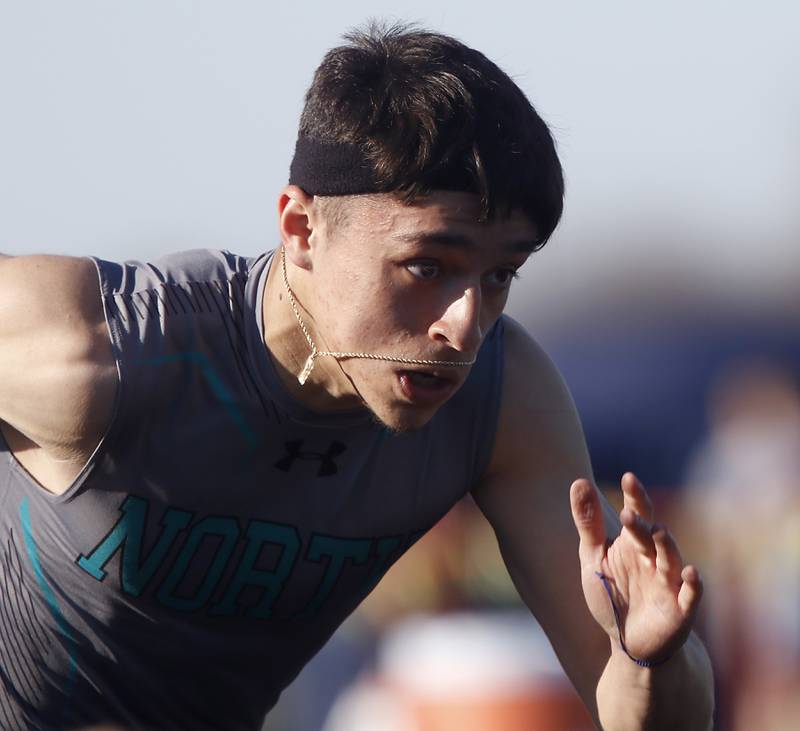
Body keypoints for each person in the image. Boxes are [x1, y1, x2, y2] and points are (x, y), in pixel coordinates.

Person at [0, 22, 713, 731]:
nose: (464, 325)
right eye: (426, 266)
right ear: (301, 228)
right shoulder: (96, 349)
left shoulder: (503, 400)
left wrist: (648, 655)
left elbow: (644, 718)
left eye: (500, 275)